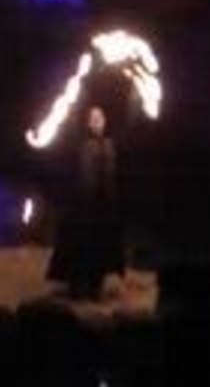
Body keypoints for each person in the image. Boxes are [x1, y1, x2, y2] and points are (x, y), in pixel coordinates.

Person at [47, 105, 124, 300]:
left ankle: (95, 287)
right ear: (87, 122)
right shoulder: (78, 144)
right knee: (79, 249)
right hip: (80, 209)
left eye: (101, 117)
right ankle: (77, 288)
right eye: (93, 118)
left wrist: (110, 202)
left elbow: (111, 177)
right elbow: (73, 175)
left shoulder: (109, 145)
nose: (98, 121)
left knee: (99, 250)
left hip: (102, 209)